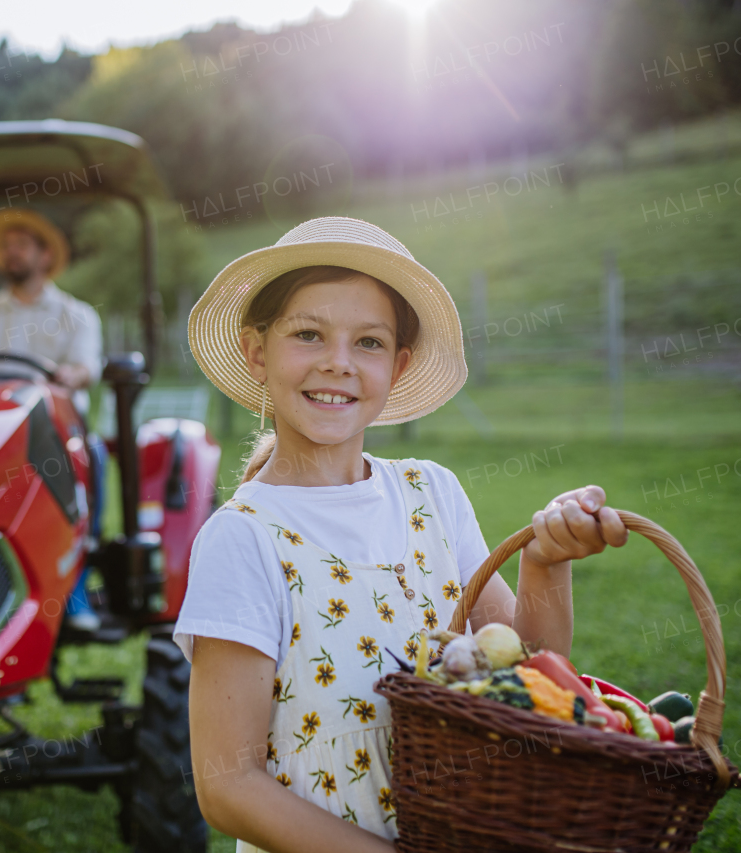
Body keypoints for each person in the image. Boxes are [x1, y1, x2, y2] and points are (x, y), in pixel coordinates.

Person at [173, 217, 630, 852]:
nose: (338, 363)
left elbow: (529, 677)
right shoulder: (244, 538)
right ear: (258, 352)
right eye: (308, 334)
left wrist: (547, 562)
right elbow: (228, 785)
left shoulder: (431, 493)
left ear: (398, 364)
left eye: (369, 343)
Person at [0, 208, 105, 631]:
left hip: (59, 430)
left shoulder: (77, 315)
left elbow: (85, 368)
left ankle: (76, 585)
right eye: (6, 247)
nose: (12, 254)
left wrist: (69, 375)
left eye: (21, 246)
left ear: (45, 256)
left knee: (97, 460)